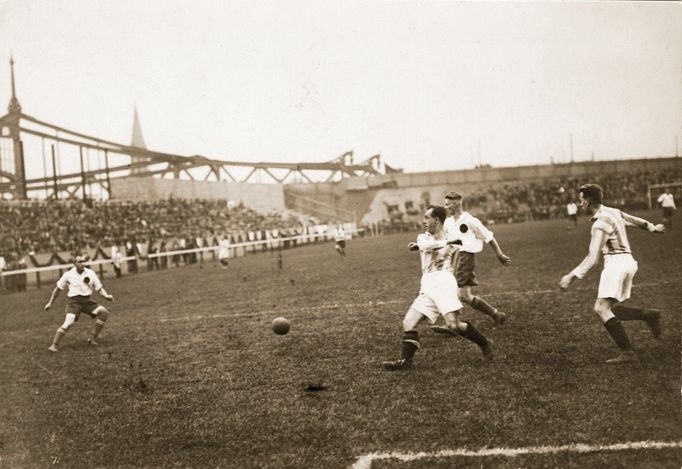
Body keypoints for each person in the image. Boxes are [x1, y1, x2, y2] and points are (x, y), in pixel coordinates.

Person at [559, 184, 664, 364]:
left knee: (601, 308)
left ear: (590, 200)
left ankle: (628, 353)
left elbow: (593, 258)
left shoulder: (600, 223)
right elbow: (635, 221)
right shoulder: (613, 211)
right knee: (611, 308)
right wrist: (653, 228)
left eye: (582, 198)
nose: (580, 201)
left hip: (616, 265)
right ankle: (648, 314)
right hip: (629, 263)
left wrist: (571, 276)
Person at [382, 205, 494, 371]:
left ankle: (485, 344)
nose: (424, 221)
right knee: (408, 322)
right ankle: (406, 362)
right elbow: (427, 246)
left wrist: (450, 244)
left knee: (454, 326)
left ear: (437, 220)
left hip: (444, 282)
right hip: (427, 284)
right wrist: (446, 243)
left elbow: (456, 248)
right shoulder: (423, 238)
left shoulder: (452, 239)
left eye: (427, 217)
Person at [431, 191, 510, 333]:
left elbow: (489, 237)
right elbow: (451, 243)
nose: (446, 207)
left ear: (456, 204)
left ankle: (454, 325)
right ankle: (497, 315)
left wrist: (500, 254)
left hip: (466, 257)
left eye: (448, 204)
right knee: (464, 295)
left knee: (454, 292)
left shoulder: (470, 220)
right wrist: (443, 257)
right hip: (456, 257)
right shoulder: (448, 222)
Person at [43, 255, 114, 352]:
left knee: (104, 313)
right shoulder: (68, 275)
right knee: (68, 322)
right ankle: (54, 345)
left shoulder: (90, 273)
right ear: (74, 264)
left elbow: (99, 288)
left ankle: (92, 338)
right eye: (80, 262)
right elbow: (58, 289)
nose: (83, 264)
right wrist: (50, 303)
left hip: (87, 301)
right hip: (74, 302)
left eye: (84, 261)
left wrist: (106, 296)